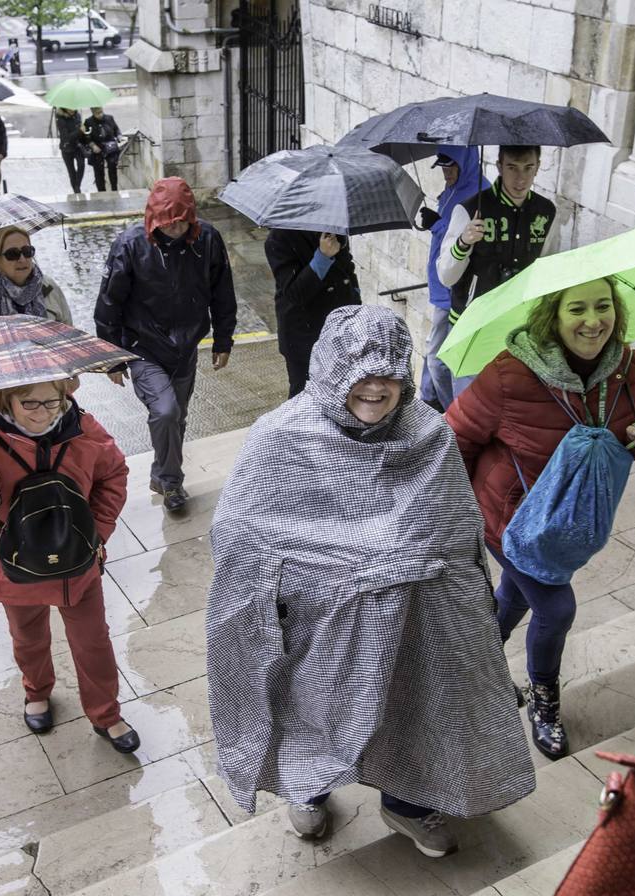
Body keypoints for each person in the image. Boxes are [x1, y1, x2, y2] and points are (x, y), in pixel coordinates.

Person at [207, 305, 535, 857]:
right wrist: (341, 571)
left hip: (412, 618)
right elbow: (240, 534)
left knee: (416, 706)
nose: (376, 386)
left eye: (390, 371)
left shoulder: (426, 432)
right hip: (313, 618)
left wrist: (399, 570)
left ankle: (408, 802)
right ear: (333, 368)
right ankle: (306, 788)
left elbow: (456, 531)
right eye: (361, 369)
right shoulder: (281, 435)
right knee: (305, 701)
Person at [446, 277, 635, 759]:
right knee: (555, 608)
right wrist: (458, 518)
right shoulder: (510, 375)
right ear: (553, 315)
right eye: (578, 309)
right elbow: (453, 441)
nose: (594, 321)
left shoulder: (629, 367)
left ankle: (471, 664)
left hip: (572, 520)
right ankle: (543, 701)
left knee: (513, 593)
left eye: (604, 306)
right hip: (511, 519)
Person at [0, 380, 139, 752]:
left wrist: (97, 532)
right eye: (29, 403)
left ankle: (106, 714)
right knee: (28, 638)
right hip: (14, 570)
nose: (42, 413)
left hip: (77, 565)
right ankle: (37, 692)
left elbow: (114, 475)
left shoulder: (84, 429)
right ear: (4, 400)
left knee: (93, 642)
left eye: (52, 401)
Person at [95, 177, 236, 513]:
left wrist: (223, 339)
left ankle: (162, 474)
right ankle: (172, 482)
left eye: (182, 221)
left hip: (186, 346)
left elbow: (222, 291)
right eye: (168, 222)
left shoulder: (208, 240)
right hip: (143, 345)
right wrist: (112, 359)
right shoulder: (130, 246)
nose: (175, 229)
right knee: (166, 411)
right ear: (155, 218)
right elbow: (108, 304)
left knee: (178, 417)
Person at [436, 145, 556, 397]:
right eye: (512, 167)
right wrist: (464, 242)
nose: (520, 178)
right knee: (467, 407)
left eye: (528, 168)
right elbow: (445, 276)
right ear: (499, 166)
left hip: (516, 327)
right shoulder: (471, 209)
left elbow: (545, 269)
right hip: (471, 325)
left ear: (538, 167)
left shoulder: (545, 212)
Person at [418, 148, 486, 410]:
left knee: (439, 359)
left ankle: (451, 415)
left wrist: (437, 225)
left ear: (465, 165)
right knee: (433, 354)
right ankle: (428, 399)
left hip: (454, 293)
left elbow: (470, 242)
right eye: (443, 169)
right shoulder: (452, 191)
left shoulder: (477, 194)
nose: (446, 174)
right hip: (439, 285)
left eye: (451, 168)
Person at [264, 229, 359, 397]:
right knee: (305, 398)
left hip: (341, 328)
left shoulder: (334, 227)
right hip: (304, 334)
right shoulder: (279, 238)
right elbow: (295, 293)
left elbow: (348, 269)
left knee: (341, 393)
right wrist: (323, 256)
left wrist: (356, 305)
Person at [82, 106, 122, 192]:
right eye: (97, 113)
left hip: (110, 148)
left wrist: (119, 136)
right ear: (93, 113)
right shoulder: (88, 122)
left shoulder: (109, 118)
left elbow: (116, 129)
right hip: (98, 148)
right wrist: (92, 145)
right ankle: (101, 192)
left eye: (101, 112)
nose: (100, 115)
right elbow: (86, 137)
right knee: (98, 171)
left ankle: (114, 190)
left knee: (112, 168)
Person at [55, 107, 86, 194]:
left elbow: (80, 132)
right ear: (65, 108)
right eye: (70, 108)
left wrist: (84, 131)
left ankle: (77, 186)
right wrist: (79, 131)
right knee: (71, 171)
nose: (72, 109)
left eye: (73, 107)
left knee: (81, 165)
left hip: (78, 146)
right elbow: (66, 137)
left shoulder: (77, 116)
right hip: (67, 148)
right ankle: (77, 191)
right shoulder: (60, 119)